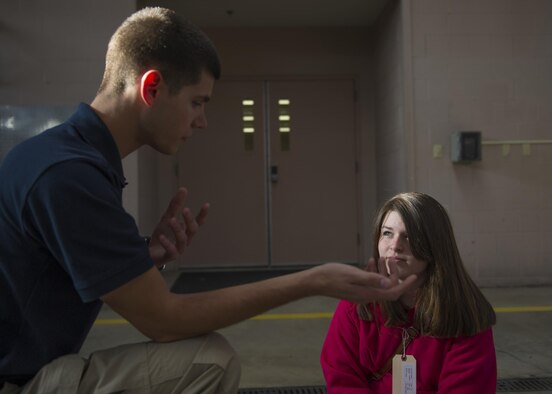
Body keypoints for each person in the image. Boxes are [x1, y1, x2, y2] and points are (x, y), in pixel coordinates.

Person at [0, 7, 417, 394]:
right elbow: (163, 320)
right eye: (197, 102)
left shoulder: (63, 157)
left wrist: (143, 256)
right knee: (208, 361)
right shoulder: (71, 175)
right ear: (152, 87)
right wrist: (313, 281)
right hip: (17, 381)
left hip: (31, 364)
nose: (201, 120)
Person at [320, 192, 497, 393]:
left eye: (409, 236)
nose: (395, 246)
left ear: (434, 244)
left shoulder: (463, 312)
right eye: (387, 233)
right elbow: (342, 378)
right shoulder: (358, 301)